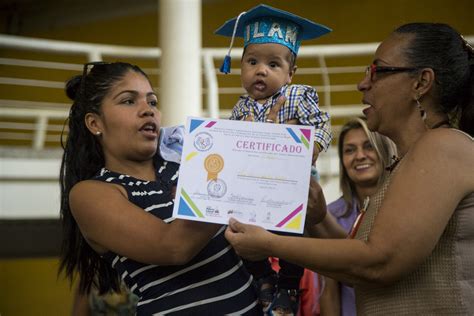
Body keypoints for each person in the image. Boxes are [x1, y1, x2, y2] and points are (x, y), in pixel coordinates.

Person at [225, 22, 474, 315]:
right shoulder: (410, 159)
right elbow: (354, 266)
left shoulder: (442, 146)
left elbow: (378, 262)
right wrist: (317, 217)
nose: (362, 83)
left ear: (421, 83)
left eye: (377, 71)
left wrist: (269, 244)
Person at [58, 61, 262, 315]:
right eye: (128, 101)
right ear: (94, 123)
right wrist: (237, 167)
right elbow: (173, 247)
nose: (148, 110)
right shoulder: (91, 193)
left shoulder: (187, 164)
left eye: (152, 102)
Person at [215, 4, 332, 314]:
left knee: (291, 237)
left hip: (288, 186)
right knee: (238, 232)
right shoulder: (241, 108)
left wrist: (311, 148)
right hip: (253, 189)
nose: (261, 70)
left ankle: (290, 284)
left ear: (290, 73)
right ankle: (263, 277)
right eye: (252, 62)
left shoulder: (296, 96)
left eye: (273, 64)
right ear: (240, 67)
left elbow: (322, 125)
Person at [315, 117, 396, 316]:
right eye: (349, 150)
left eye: (369, 146)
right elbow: (329, 292)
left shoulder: (404, 207)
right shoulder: (329, 215)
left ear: (384, 152)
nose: (359, 156)